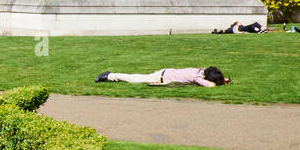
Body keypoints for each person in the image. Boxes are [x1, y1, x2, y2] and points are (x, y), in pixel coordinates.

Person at [95, 66, 230, 87]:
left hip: (164, 73)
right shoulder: (198, 77)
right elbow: (210, 85)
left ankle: (110, 75)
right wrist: (219, 82)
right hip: (160, 77)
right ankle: (110, 75)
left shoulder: (200, 71)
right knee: (134, 79)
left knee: (136, 78)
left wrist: (223, 79)